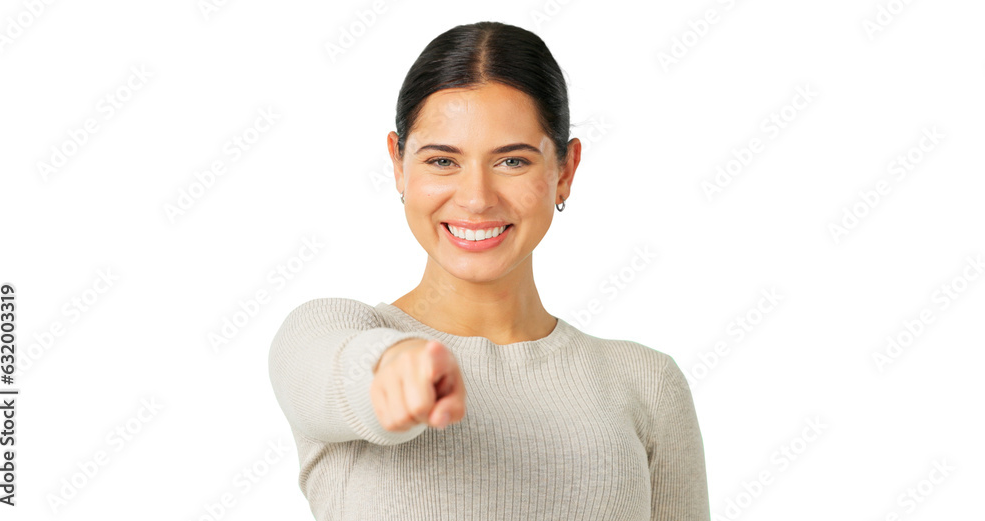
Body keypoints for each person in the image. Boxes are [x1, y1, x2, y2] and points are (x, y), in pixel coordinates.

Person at [268, 20, 709, 520]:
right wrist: (391, 369)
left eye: (512, 162)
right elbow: (334, 375)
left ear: (564, 171)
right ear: (397, 164)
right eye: (441, 161)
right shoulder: (332, 333)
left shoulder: (646, 383)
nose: (476, 199)